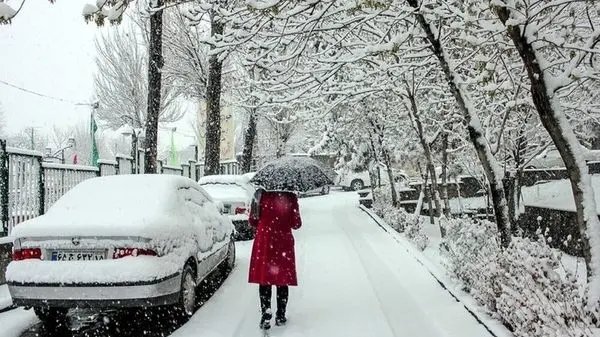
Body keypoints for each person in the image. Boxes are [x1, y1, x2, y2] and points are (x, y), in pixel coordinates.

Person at [248, 188, 302, 330]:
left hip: (265, 240)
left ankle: (266, 312)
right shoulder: (290, 197)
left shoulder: (259, 195)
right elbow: (297, 224)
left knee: (265, 278)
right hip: (283, 242)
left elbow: (253, 221)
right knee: (282, 279)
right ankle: (280, 315)